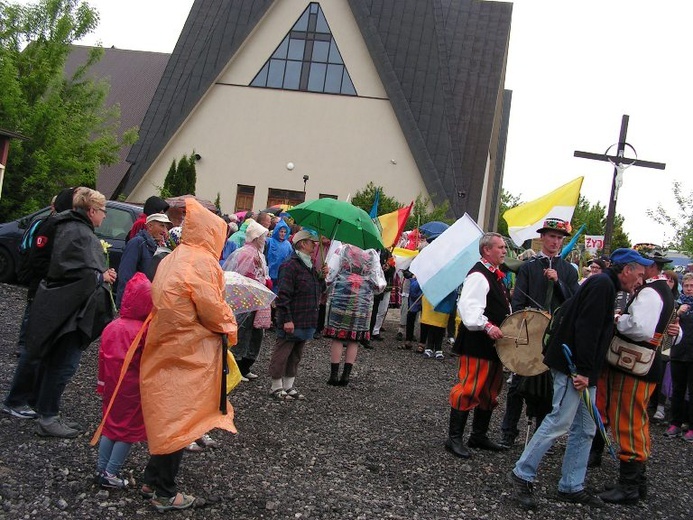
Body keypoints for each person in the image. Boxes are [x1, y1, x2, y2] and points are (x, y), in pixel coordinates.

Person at [507, 248, 651, 510]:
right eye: (639, 274)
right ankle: (522, 475)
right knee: (559, 421)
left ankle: (571, 485)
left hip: (584, 370)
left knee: (585, 428)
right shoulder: (602, 285)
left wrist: (588, 372)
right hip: (574, 367)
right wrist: (583, 371)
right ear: (627, 270)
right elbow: (587, 329)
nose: (640, 280)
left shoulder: (605, 285)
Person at [139, 198, 238, 512]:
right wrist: (230, 327)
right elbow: (212, 309)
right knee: (183, 417)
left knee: (167, 410)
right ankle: (165, 492)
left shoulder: (175, 255)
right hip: (191, 348)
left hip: (165, 341)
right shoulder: (203, 262)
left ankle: (151, 479)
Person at [24, 188, 117, 438]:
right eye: (103, 211)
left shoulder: (67, 227)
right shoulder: (79, 233)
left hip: (62, 305)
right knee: (63, 364)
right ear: (92, 211)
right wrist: (100, 276)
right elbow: (74, 271)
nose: (105, 217)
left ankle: (44, 409)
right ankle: (48, 416)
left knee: (55, 361)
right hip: (71, 311)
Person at [599, 251, 676, 505]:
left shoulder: (651, 292)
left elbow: (642, 328)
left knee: (628, 420)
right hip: (644, 365)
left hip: (634, 366)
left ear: (651, 267)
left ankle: (630, 486)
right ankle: (636, 482)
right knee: (636, 420)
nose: (640, 272)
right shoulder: (662, 290)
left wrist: (619, 320)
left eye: (644, 266)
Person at [499, 218, 579, 449]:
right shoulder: (529, 267)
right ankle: (508, 432)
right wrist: (530, 317)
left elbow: (574, 302)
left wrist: (560, 283)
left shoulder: (568, 271)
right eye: (551, 237)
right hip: (529, 334)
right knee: (517, 384)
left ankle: (541, 437)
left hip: (555, 337)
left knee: (549, 389)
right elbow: (518, 300)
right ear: (542, 238)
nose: (555, 241)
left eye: (559, 238)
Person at [3, 187, 75, 419]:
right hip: (43, 296)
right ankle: (16, 400)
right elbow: (37, 260)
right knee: (32, 350)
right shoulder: (50, 226)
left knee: (43, 352)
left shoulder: (64, 227)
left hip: (52, 298)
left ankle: (31, 397)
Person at [446, 232, 511, 459]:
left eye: (504, 247)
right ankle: (454, 438)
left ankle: (478, 435)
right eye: (500, 247)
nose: (504, 251)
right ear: (486, 250)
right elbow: (469, 310)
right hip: (477, 343)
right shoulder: (479, 275)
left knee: (490, 391)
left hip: (492, 346)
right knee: (470, 388)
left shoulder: (495, 275)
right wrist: (488, 326)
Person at [96, 272, 152, 489]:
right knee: (126, 432)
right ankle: (111, 473)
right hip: (133, 389)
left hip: (111, 385)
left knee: (110, 425)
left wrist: (101, 384)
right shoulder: (144, 331)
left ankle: (101, 469)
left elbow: (102, 358)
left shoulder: (113, 326)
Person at [268, 229, 325, 400]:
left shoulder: (310, 265)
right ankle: (276, 386)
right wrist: (286, 319)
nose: (315, 245)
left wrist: (322, 277)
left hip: (306, 316)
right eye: (311, 242)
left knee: (296, 353)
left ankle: (288, 385)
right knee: (283, 351)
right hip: (293, 316)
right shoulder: (290, 265)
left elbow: (319, 290)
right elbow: (283, 295)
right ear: (302, 244)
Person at [324, 243, 385, 386]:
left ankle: (333, 375)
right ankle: (346, 376)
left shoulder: (343, 250)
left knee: (338, 336)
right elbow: (378, 282)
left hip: (341, 295)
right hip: (362, 300)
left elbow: (330, 274)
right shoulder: (372, 254)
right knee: (354, 338)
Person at [224, 220, 271, 380]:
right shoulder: (247, 253)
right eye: (263, 236)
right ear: (257, 237)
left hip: (256, 297)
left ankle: (245, 365)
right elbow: (241, 274)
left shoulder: (258, 253)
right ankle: (236, 365)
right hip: (247, 297)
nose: (265, 239)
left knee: (256, 331)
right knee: (244, 330)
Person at [116, 213, 172, 307]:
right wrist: (123, 303)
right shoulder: (137, 243)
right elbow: (125, 274)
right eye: (162, 225)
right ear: (150, 226)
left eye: (166, 227)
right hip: (134, 300)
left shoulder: (160, 246)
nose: (164, 230)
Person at [665, 272, 693, 440]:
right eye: (687, 285)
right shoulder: (677, 304)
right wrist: (678, 313)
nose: (689, 289)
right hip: (678, 353)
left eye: (692, 286)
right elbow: (667, 324)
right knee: (677, 389)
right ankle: (675, 422)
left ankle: (691, 426)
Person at [265, 219, 293, 292]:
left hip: (281, 275)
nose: (283, 234)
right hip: (269, 273)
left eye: (285, 232)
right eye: (281, 231)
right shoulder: (269, 241)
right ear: (277, 231)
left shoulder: (288, 245)